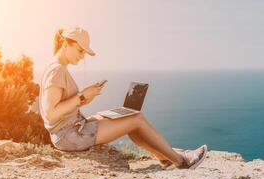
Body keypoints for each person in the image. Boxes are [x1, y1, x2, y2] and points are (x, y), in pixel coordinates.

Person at [38, 27, 207, 169]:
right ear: (66, 43)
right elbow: (51, 114)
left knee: (126, 116)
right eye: (80, 50)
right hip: (69, 135)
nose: (82, 56)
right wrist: (81, 95)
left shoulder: (57, 67)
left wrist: (86, 97)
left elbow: (60, 106)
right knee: (137, 118)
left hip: (72, 129)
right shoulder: (57, 70)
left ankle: (163, 158)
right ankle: (181, 161)